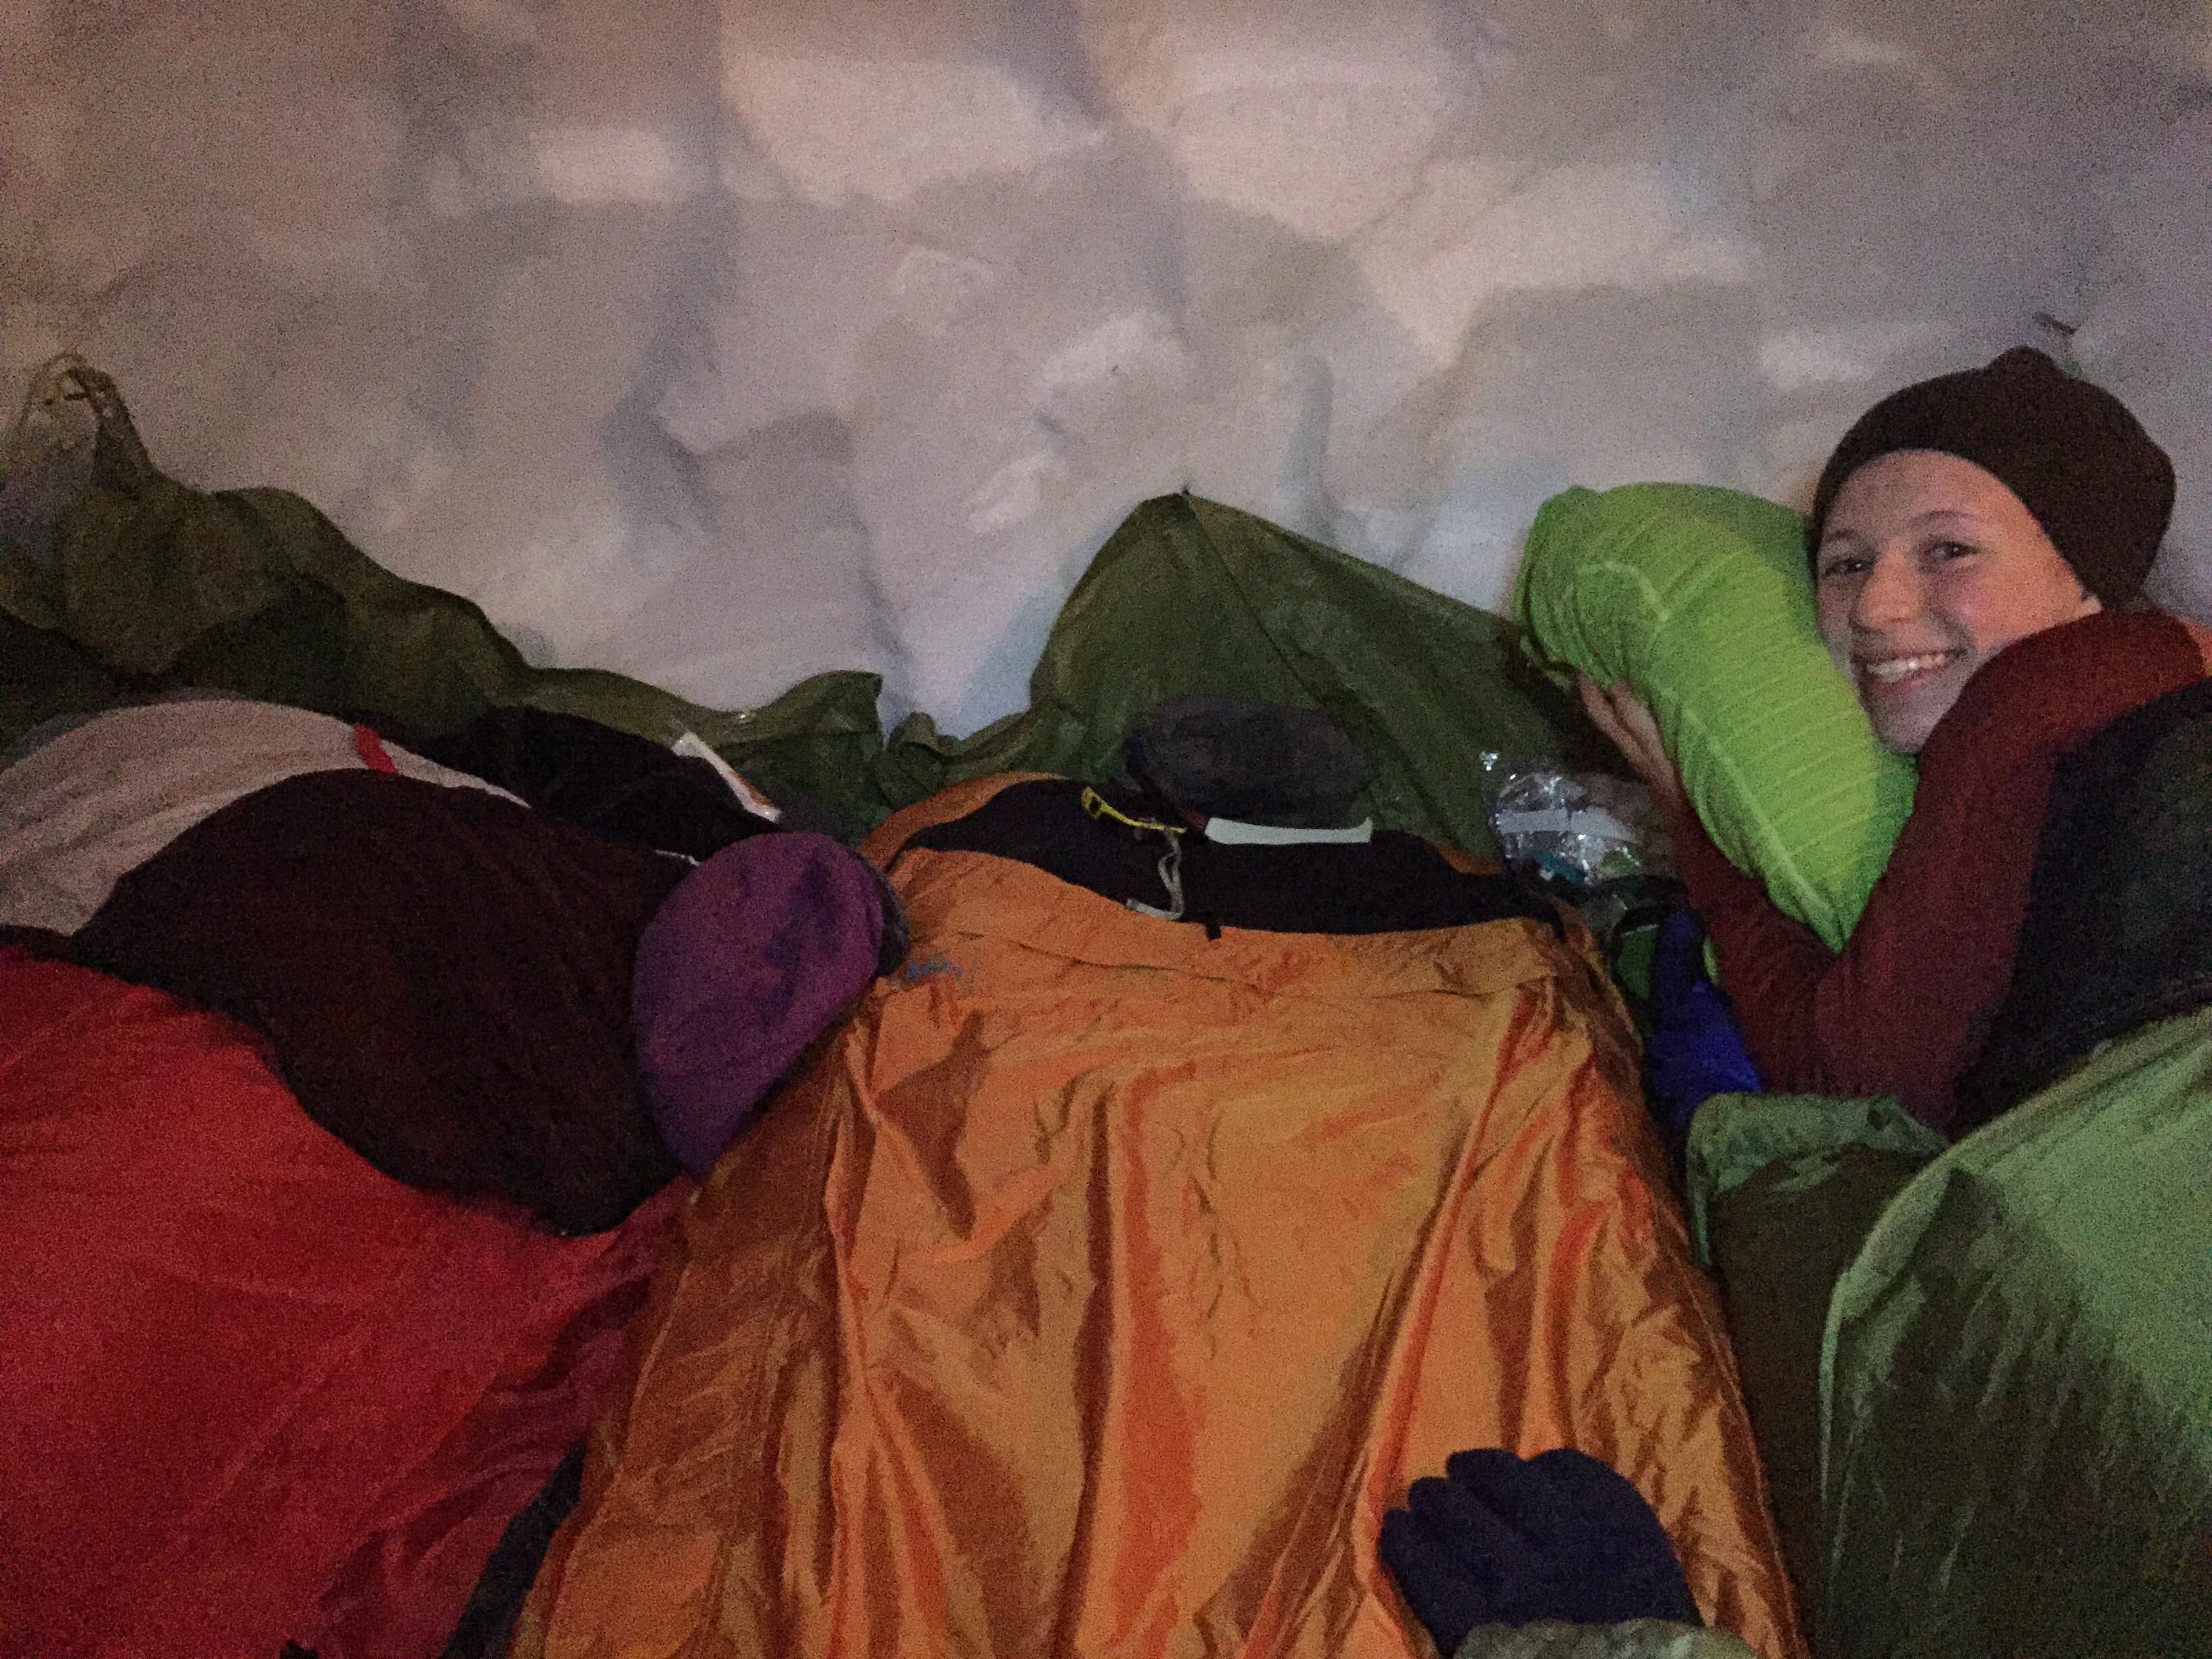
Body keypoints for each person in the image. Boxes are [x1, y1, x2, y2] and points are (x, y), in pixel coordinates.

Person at [1578, 346, 2210, 1133]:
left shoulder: (2037, 692)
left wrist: (1695, 827)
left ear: (2088, 578)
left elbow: (1864, 1087)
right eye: (1846, 564)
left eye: (1949, 551)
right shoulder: (2145, 680)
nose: (1876, 607)